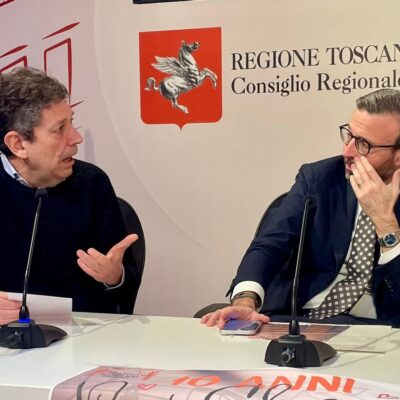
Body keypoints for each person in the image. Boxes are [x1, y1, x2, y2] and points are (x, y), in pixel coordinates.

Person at [201, 88, 400, 329]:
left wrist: (385, 222)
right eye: (348, 136)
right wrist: (245, 300)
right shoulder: (319, 178)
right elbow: (270, 244)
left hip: (377, 329)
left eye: (363, 145)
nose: (346, 152)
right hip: (297, 319)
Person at [0, 67, 140, 324]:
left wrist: (113, 276)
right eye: (59, 129)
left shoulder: (91, 182)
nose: (76, 138)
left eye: (72, 122)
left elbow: (125, 285)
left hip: (82, 334)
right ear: (18, 144)